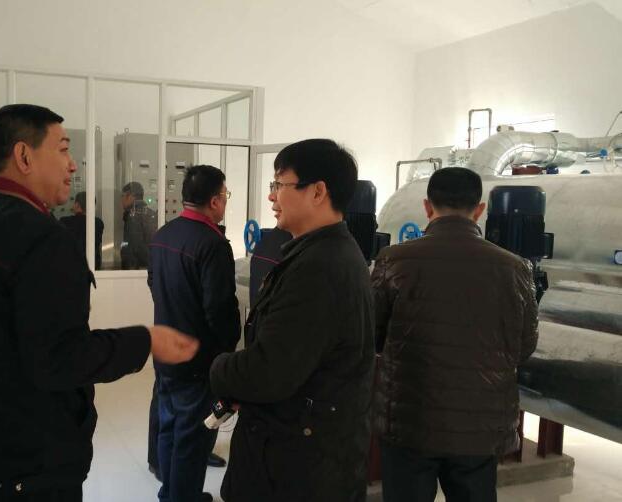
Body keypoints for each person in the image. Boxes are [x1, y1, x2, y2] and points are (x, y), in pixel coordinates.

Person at [0, 104, 198, 502]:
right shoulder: (42, 238)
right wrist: (146, 340)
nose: (72, 165)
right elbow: (60, 360)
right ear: (24, 156)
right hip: (30, 466)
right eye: (63, 149)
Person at [209, 139, 375, 502]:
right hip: (306, 450)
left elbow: (268, 371)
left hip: (297, 466)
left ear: (317, 192)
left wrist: (220, 368)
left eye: (279, 184)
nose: (272, 196)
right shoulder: (325, 253)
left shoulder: (319, 267)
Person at [371, 167, 539, 502]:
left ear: (427, 207)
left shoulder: (394, 260)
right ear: (480, 209)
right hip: (479, 427)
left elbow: (373, 335)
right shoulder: (514, 267)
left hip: (410, 421)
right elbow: (524, 345)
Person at [147, 165, 241, 502]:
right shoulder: (212, 244)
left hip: (164, 349)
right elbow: (219, 308)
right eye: (225, 196)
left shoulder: (164, 234)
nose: (225, 202)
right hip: (197, 359)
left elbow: (153, 283)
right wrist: (227, 354)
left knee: (168, 426)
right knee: (192, 437)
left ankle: (169, 492)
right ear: (215, 201)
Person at [59, 191, 105, 270]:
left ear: (77, 205)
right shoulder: (98, 223)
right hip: (93, 267)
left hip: (72, 267)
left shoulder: (65, 222)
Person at [121, 181, 157, 269]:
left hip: (137, 268)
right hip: (149, 266)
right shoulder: (151, 213)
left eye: (123, 196)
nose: (121, 200)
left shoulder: (133, 216)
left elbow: (135, 246)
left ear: (131, 196)